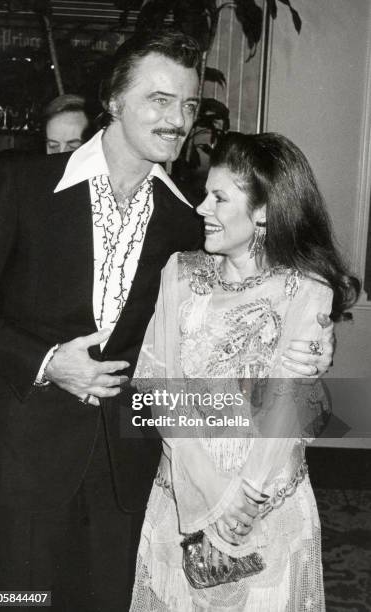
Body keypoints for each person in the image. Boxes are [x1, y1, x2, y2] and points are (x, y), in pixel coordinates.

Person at [0, 30, 332, 611]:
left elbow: (270, 282)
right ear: (114, 101)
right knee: (15, 599)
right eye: (160, 99)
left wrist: (316, 342)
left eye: (189, 104)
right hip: (24, 461)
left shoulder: (185, 219)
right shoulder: (23, 185)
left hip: (132, 473)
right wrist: (44, 361)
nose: (178, 119)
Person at [130, 132, 360, 612]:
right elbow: (156, 381)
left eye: (219, 197)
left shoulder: (304, 290)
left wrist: (245, 500)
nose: (201, 208)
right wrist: (212, 496)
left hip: (264, 504)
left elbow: (286, 411)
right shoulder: (180, 272)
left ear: (264, 212)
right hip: (181, 491)